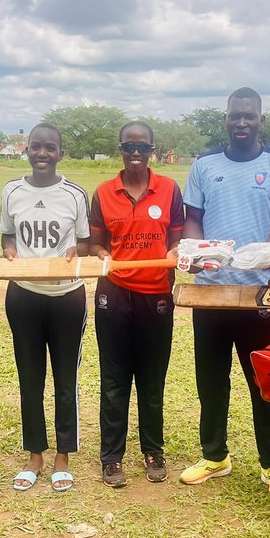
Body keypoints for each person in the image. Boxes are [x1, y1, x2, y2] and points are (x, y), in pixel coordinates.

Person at [179, 87, 270, 494]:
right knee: (211, 380)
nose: (242, 122)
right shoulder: (204, 164)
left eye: (249, 116)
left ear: (260, 119)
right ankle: (215, 456)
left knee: (264, 381)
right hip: (210, 293)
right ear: (226, 118)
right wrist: (203, 253)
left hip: (260, 295)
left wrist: (263, 255)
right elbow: (192, 219)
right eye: (236, 116)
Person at [88, 121, 184, 488]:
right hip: (113, 293)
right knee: (114, 379)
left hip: (156, 294)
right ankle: (111, 457)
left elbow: (176, 238)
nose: (136, 153)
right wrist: (102, 255)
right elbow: (95, 244)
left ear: (152, 150)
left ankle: (152, 451)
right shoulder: (103, 192)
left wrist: (175, 253)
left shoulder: (170, 189)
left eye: (143, 147)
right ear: (120, 149)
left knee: (151, 377)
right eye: (129, 146)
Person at [0, 123, 91, 494]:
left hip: (67, 296)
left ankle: (63, 456)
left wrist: (76, 252)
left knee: (65, 379)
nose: (42, 154)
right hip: (23, 294)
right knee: (30, 379)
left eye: (50, 148)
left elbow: (84, 241)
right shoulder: (12, 191)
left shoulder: (74, 194)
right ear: (27, 149)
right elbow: (6, 233)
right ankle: (35, 455)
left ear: (60, 153)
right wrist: (8, 249)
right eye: (36, 147)